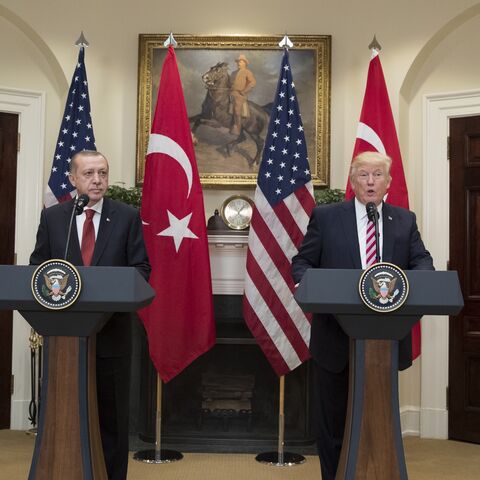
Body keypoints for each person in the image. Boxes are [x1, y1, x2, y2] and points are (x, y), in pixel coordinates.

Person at [291, 151, 434, 480]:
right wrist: (306, 283)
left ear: (389, 182)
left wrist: (421, 280)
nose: (371, 182)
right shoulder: (327, 217)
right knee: (335, 425)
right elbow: (303, 262)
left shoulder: (404, 220)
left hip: (384, 340)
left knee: (379, 420)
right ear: (352, 181)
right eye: (363, 175)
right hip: (335, 340)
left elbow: (422, 261)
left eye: (378, 175)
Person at [30, 150, 150, 480]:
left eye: (103, 173)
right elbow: (37, 268)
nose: (97, 180)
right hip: (65, 339)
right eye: (89, 174)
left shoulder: (126, 216)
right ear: (72, 179)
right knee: (65, 416)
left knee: (111, 419)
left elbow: (141, 269)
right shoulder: (55, 218)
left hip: (111, 335)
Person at [230, 53, 256, 136]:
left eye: (240, 62)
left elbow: (253, 82)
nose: (238, 63)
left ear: (245, 63)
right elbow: (229, 83)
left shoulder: (247, 72)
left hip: (240, 95)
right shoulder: (233, 73)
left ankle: (237, 129)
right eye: (238, 62)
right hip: (231, 93)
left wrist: (244, 91)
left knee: (237, 111)